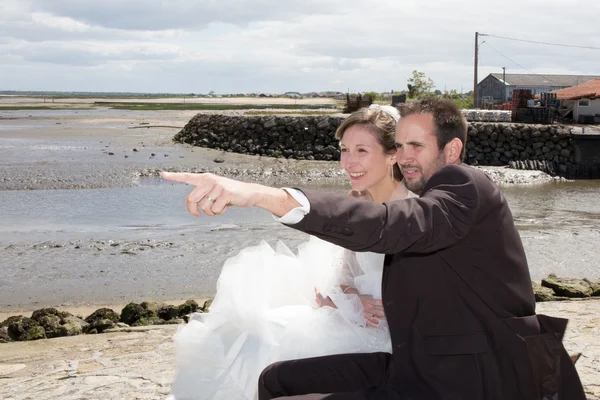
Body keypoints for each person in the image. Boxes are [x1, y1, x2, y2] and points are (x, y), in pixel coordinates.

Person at [162, 98, 585, 400]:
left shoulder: (465, 185)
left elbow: (393, 226)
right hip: (413, 359)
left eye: (416, 146)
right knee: (275, 379)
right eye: (400, 145)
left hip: (464, 377)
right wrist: (346, 297)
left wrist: (263, 195)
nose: (404, 156)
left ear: (452, 150)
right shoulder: (423, 201)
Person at [167, 105, 417, 400]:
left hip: (395, 340)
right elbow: (345, 275)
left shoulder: (416, 210)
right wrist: (349, 298)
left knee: (282, 360)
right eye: (344, 150)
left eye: (362, 150)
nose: (348, 162)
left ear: (393, 155)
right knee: (253, 336)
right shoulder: (355, 201)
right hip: (354, 318)